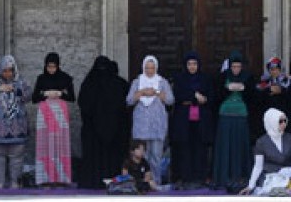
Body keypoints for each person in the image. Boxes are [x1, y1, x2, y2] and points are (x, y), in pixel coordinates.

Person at [78, 56, 129, 189]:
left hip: (94, 132)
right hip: (114, 131)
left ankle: (94, 181)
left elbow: (84, 106)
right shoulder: (120, 84)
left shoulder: (88, 84)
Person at [0, 55, 32, 189]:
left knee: (17, 156)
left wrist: (15, 89)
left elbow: (29, 96)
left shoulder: (20, 82)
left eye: (10, 70)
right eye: (4, 70)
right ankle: (0, 181)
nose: (7, 73)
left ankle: (15, 181)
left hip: (17, 127)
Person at [126, 55, 174, 185]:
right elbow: (129, 100)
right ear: (143, 68)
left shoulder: (162, 82)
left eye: (152, 68)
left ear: (156, 68)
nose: (150, 71)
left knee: (156, 156)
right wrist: (141, 92)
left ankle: (156, 181)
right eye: (147, 68)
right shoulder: (137, 82)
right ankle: (143, 182)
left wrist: (156, 92)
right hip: (142, 124)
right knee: (142, 155)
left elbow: (170, 100)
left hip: (157, 124)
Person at [171, 52, 214, 188]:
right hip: (184, 119)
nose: (192, 67)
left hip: (201, 119)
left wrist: (204, 99)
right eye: (189, 64)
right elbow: (178, 95)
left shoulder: (205, 78)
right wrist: (194, 95)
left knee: (200, 148)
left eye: (194, 64)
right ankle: (185, 177)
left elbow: (212, 96)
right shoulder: (179, 78)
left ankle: (200, 177)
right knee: (184, 148)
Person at [32, 52, 75, 186]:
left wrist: (61, 93)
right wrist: (45, 94)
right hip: (45, 114)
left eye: (53, 67)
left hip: (60, 113)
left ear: (58, 66)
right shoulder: (41, 78)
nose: (51, 70)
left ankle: (61, 177)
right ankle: (45, 177)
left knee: (60, 143)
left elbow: (72, 98)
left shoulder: (66, 78)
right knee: (45, 144)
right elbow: (34, 98)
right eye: (49, 67)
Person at [213, 50, 255, 188]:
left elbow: (253, 98)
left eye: (238, 66)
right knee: (226, 148)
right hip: (225, 117)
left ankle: (241, 177)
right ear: (229, 66)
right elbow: (216, 97)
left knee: (240, 148)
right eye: (233, 67)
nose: (236, 69)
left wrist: (244, 88)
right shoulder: (222, 77)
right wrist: (228, 89)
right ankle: (223, 178)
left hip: (241, 117)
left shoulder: (248, 77)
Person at [240, 108, 291, 195]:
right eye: (280, 121)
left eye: (285, 120)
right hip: (270, 177)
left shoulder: (289, 138)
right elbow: (258, 166)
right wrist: (251, 185)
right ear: (272, 122)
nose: (284, 124)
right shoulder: (261, 142)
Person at [255, 57, 290, 136]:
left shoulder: (287, 81)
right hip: (269, 116)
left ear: (280, 69)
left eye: (276, 68)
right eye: (271, 69)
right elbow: (258, 98)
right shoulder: (264, 81)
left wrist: (281, 91)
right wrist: (268, 91)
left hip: (284, 116)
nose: (274, 71)